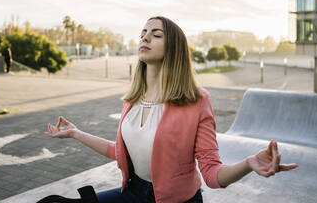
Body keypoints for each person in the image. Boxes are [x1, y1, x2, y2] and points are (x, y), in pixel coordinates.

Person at [45, 16, 298, 203]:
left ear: (174, 48)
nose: (145, 37)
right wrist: (76, 133)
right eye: (144, 32)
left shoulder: (197, 101)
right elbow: (121, 151)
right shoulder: (132, 98)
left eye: (156, 34)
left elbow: (211, 173)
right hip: (133, 193)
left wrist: (248, 163)